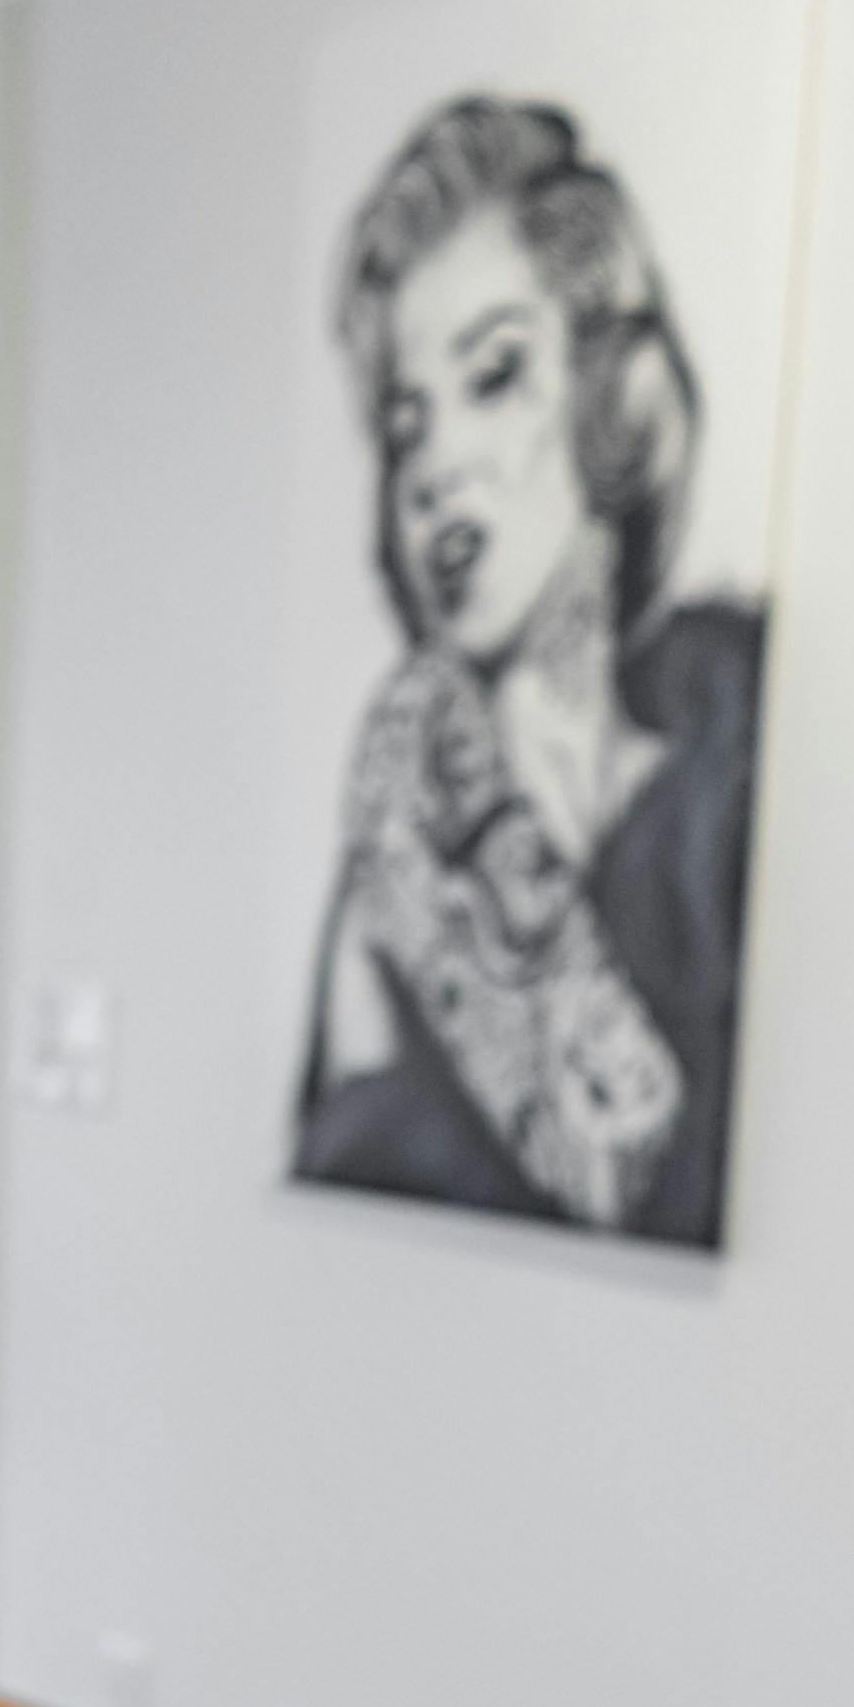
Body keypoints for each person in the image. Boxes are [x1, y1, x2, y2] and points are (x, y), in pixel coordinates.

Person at [290, 90, 763, 1248]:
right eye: (407, 422)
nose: (437, 465)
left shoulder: (726, 776)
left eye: (494, 375)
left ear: (611, 392)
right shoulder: (401, 836)